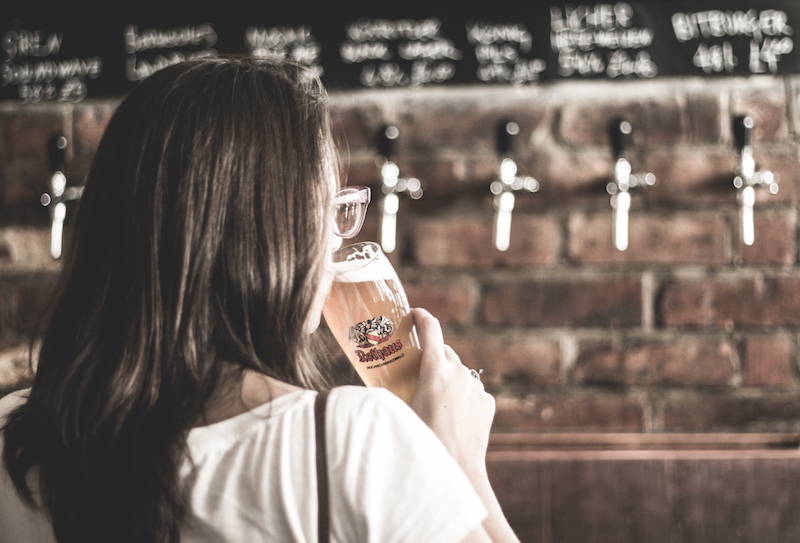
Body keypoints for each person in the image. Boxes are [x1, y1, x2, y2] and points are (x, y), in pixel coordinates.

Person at [0, 56, 520, 543]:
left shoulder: (14, 440)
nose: (335, 245)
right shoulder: (355, 439)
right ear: (272, 238)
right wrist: (458, 461)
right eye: (328, 212)